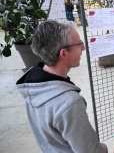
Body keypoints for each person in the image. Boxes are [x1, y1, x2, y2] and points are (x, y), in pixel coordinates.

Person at [15, 20, 108, 153]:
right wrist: (103, 148)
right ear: (64, 53)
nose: (83, 48)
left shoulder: (32, 83)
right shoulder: (69, 103)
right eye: (79, 43)